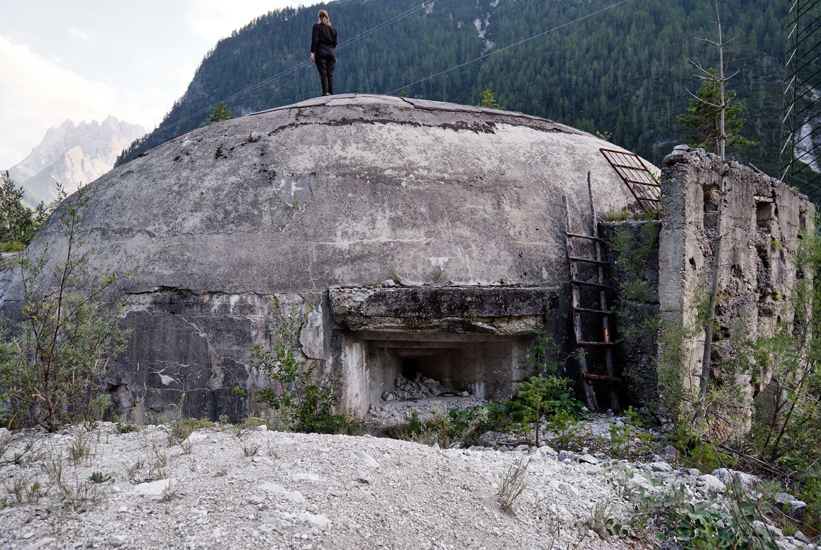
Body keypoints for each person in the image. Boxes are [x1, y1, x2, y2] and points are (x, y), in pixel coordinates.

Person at [311, 10, 337, 96]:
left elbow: (314, 40)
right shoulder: (333, 30)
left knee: (323, 73)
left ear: (319, 17)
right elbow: (335, 43)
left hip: (320, 52)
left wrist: (312, 53)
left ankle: (325, 93)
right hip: (331, 52)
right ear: (327, 17)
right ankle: (331, 93)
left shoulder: (316, 27)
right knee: (330, 73)